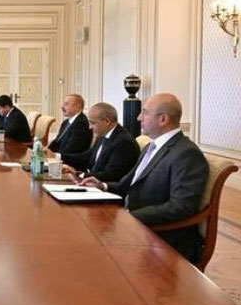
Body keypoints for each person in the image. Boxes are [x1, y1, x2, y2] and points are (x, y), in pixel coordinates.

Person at [79, 93, 209, 264]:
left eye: (145, 112)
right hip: (135, 227)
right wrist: (102, 186)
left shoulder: (187, 154)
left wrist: (129, 217)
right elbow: (127, 185)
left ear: (163, 119)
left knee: (90, 255)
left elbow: (182, 207)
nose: (139, 117)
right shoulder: (151, 146)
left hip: (161, 240)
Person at [44, 102, 139, 183]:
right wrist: (57, 156)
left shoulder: (124, 142)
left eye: (92, 123)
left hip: (106, 192)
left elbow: (111, 175)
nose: (89, 127)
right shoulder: (103, 135)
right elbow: (86, 157)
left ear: (107, 121)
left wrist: (80, 174)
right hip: (92, 184)